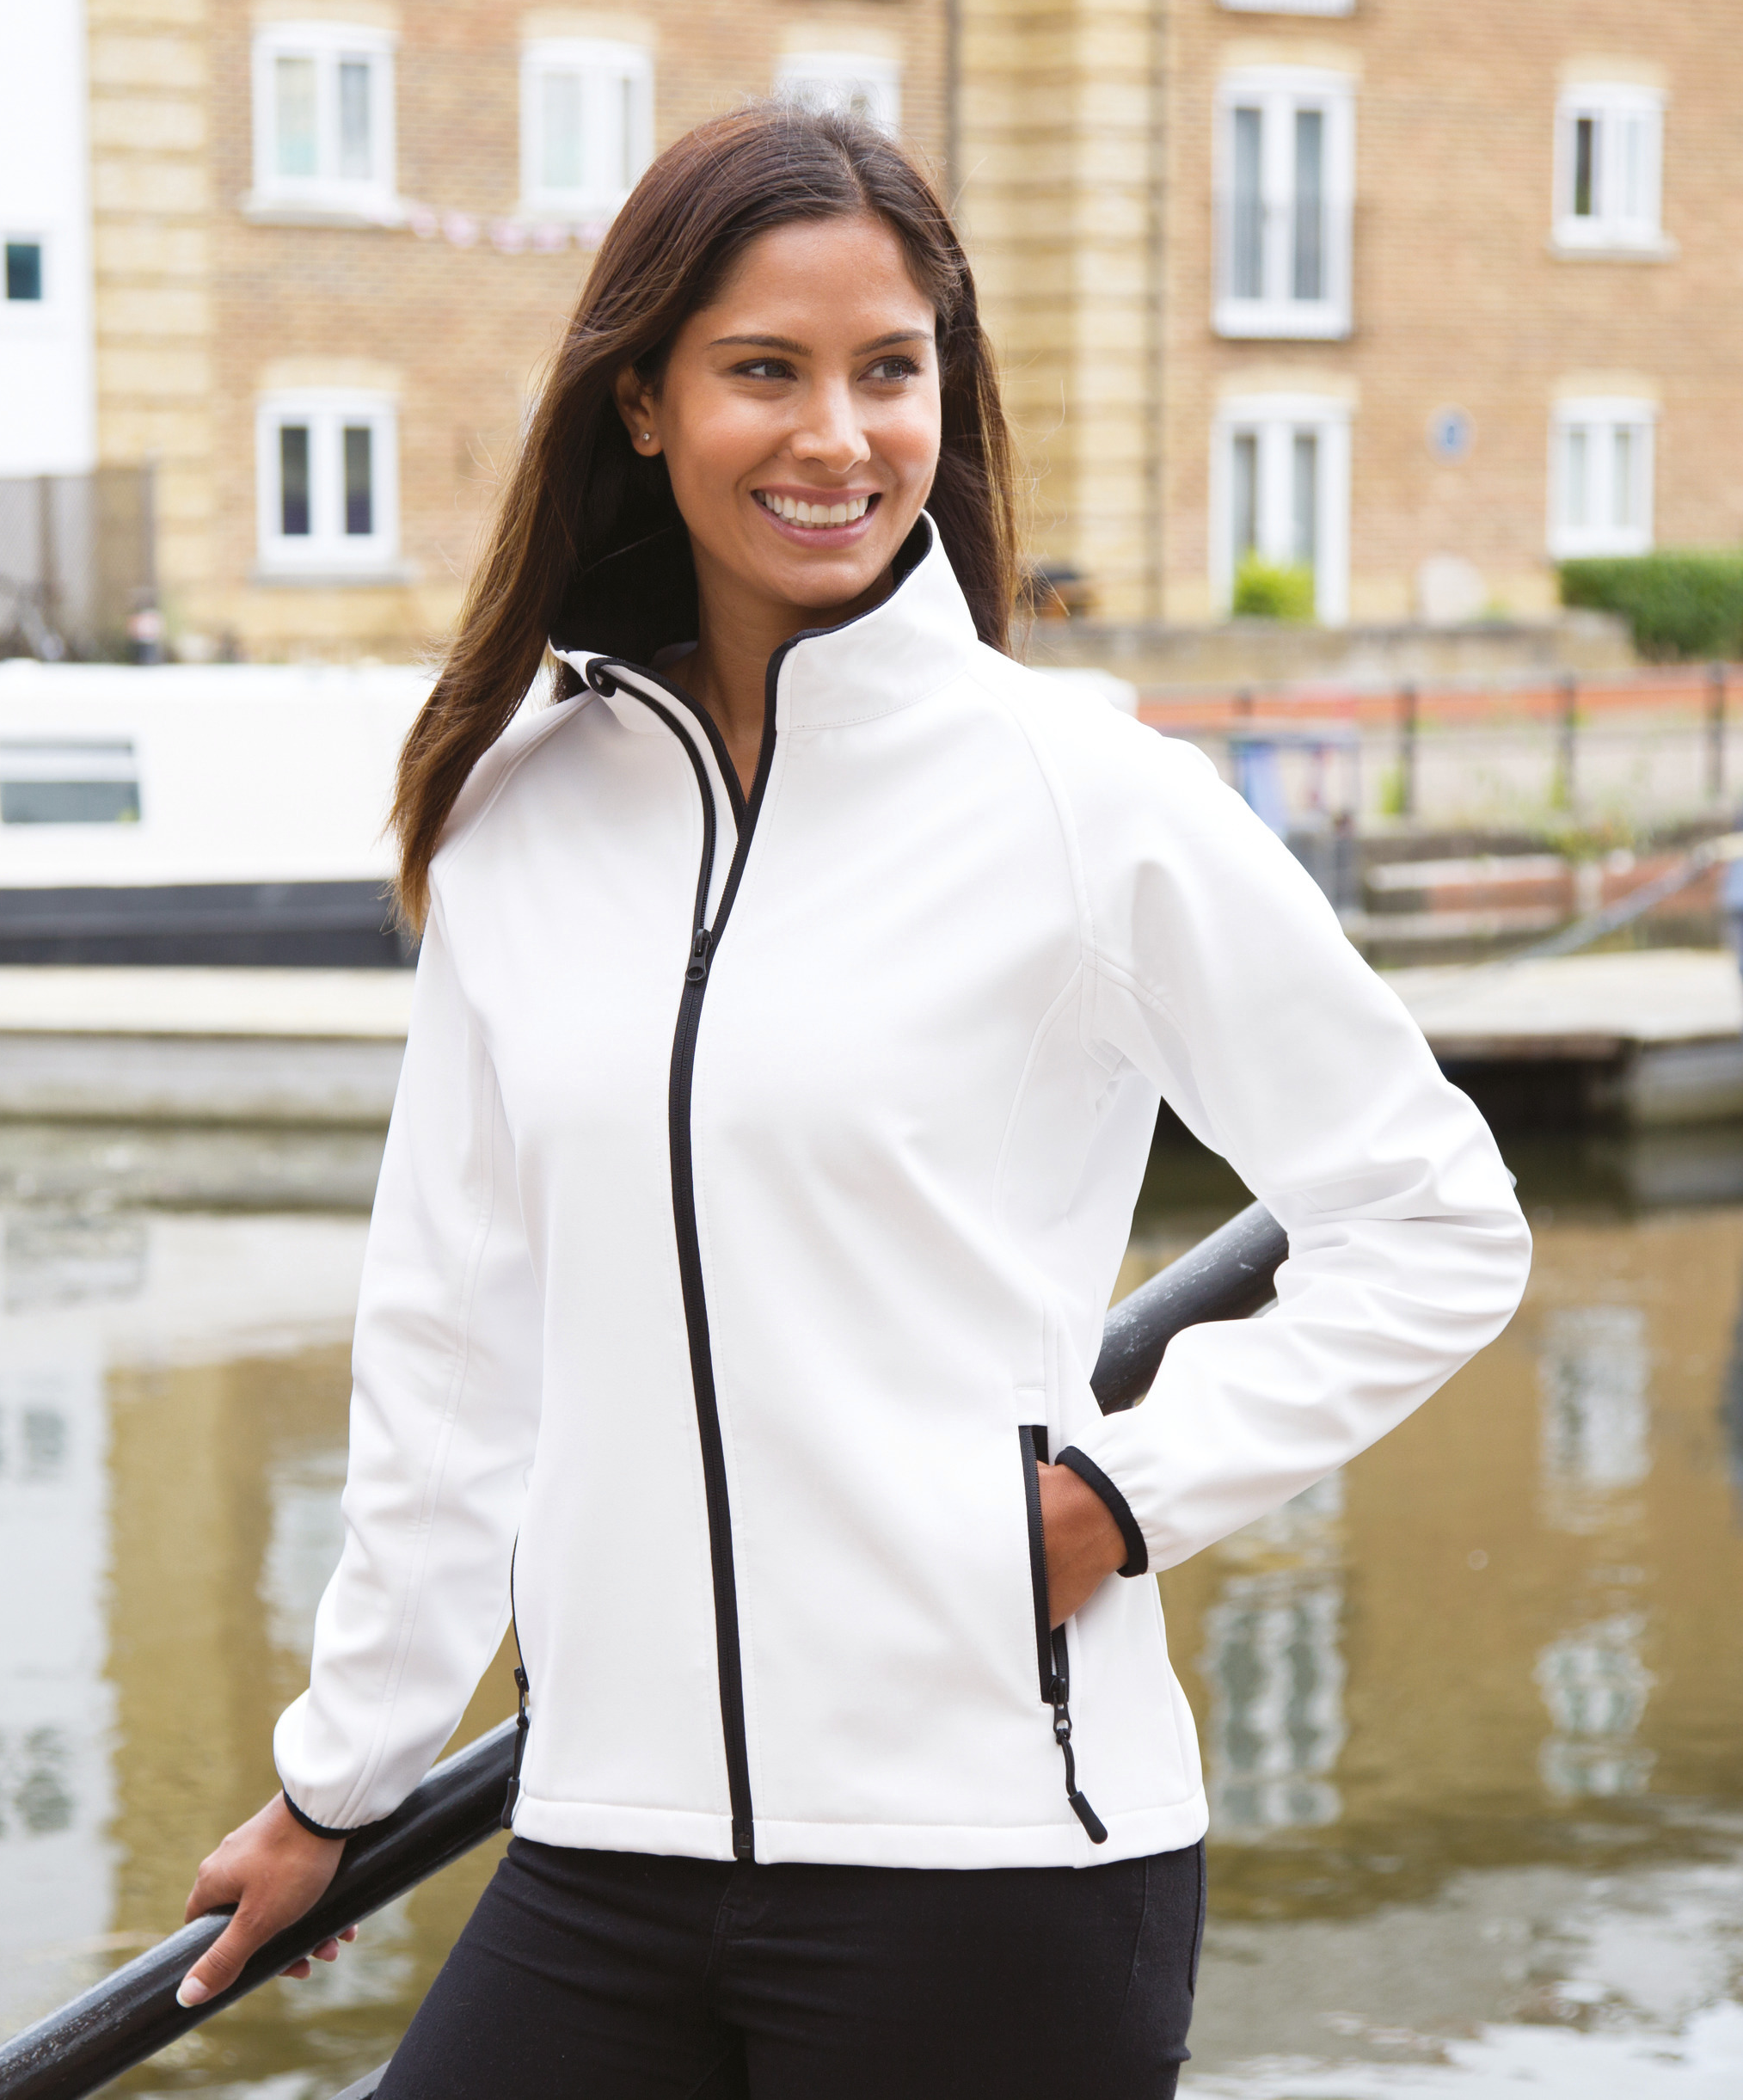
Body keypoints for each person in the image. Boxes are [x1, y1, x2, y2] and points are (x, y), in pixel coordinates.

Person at [175, 103, 1531, 2097]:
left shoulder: (1082, 798)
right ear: (638, 401)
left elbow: (1432, 1220)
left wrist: (1116, 1496)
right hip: (601, 1833)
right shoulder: (517, 815)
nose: (837, 437)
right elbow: (458, 1345)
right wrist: (338, 1781)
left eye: (888, 372)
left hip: (982, 1857)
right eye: (762, 372)